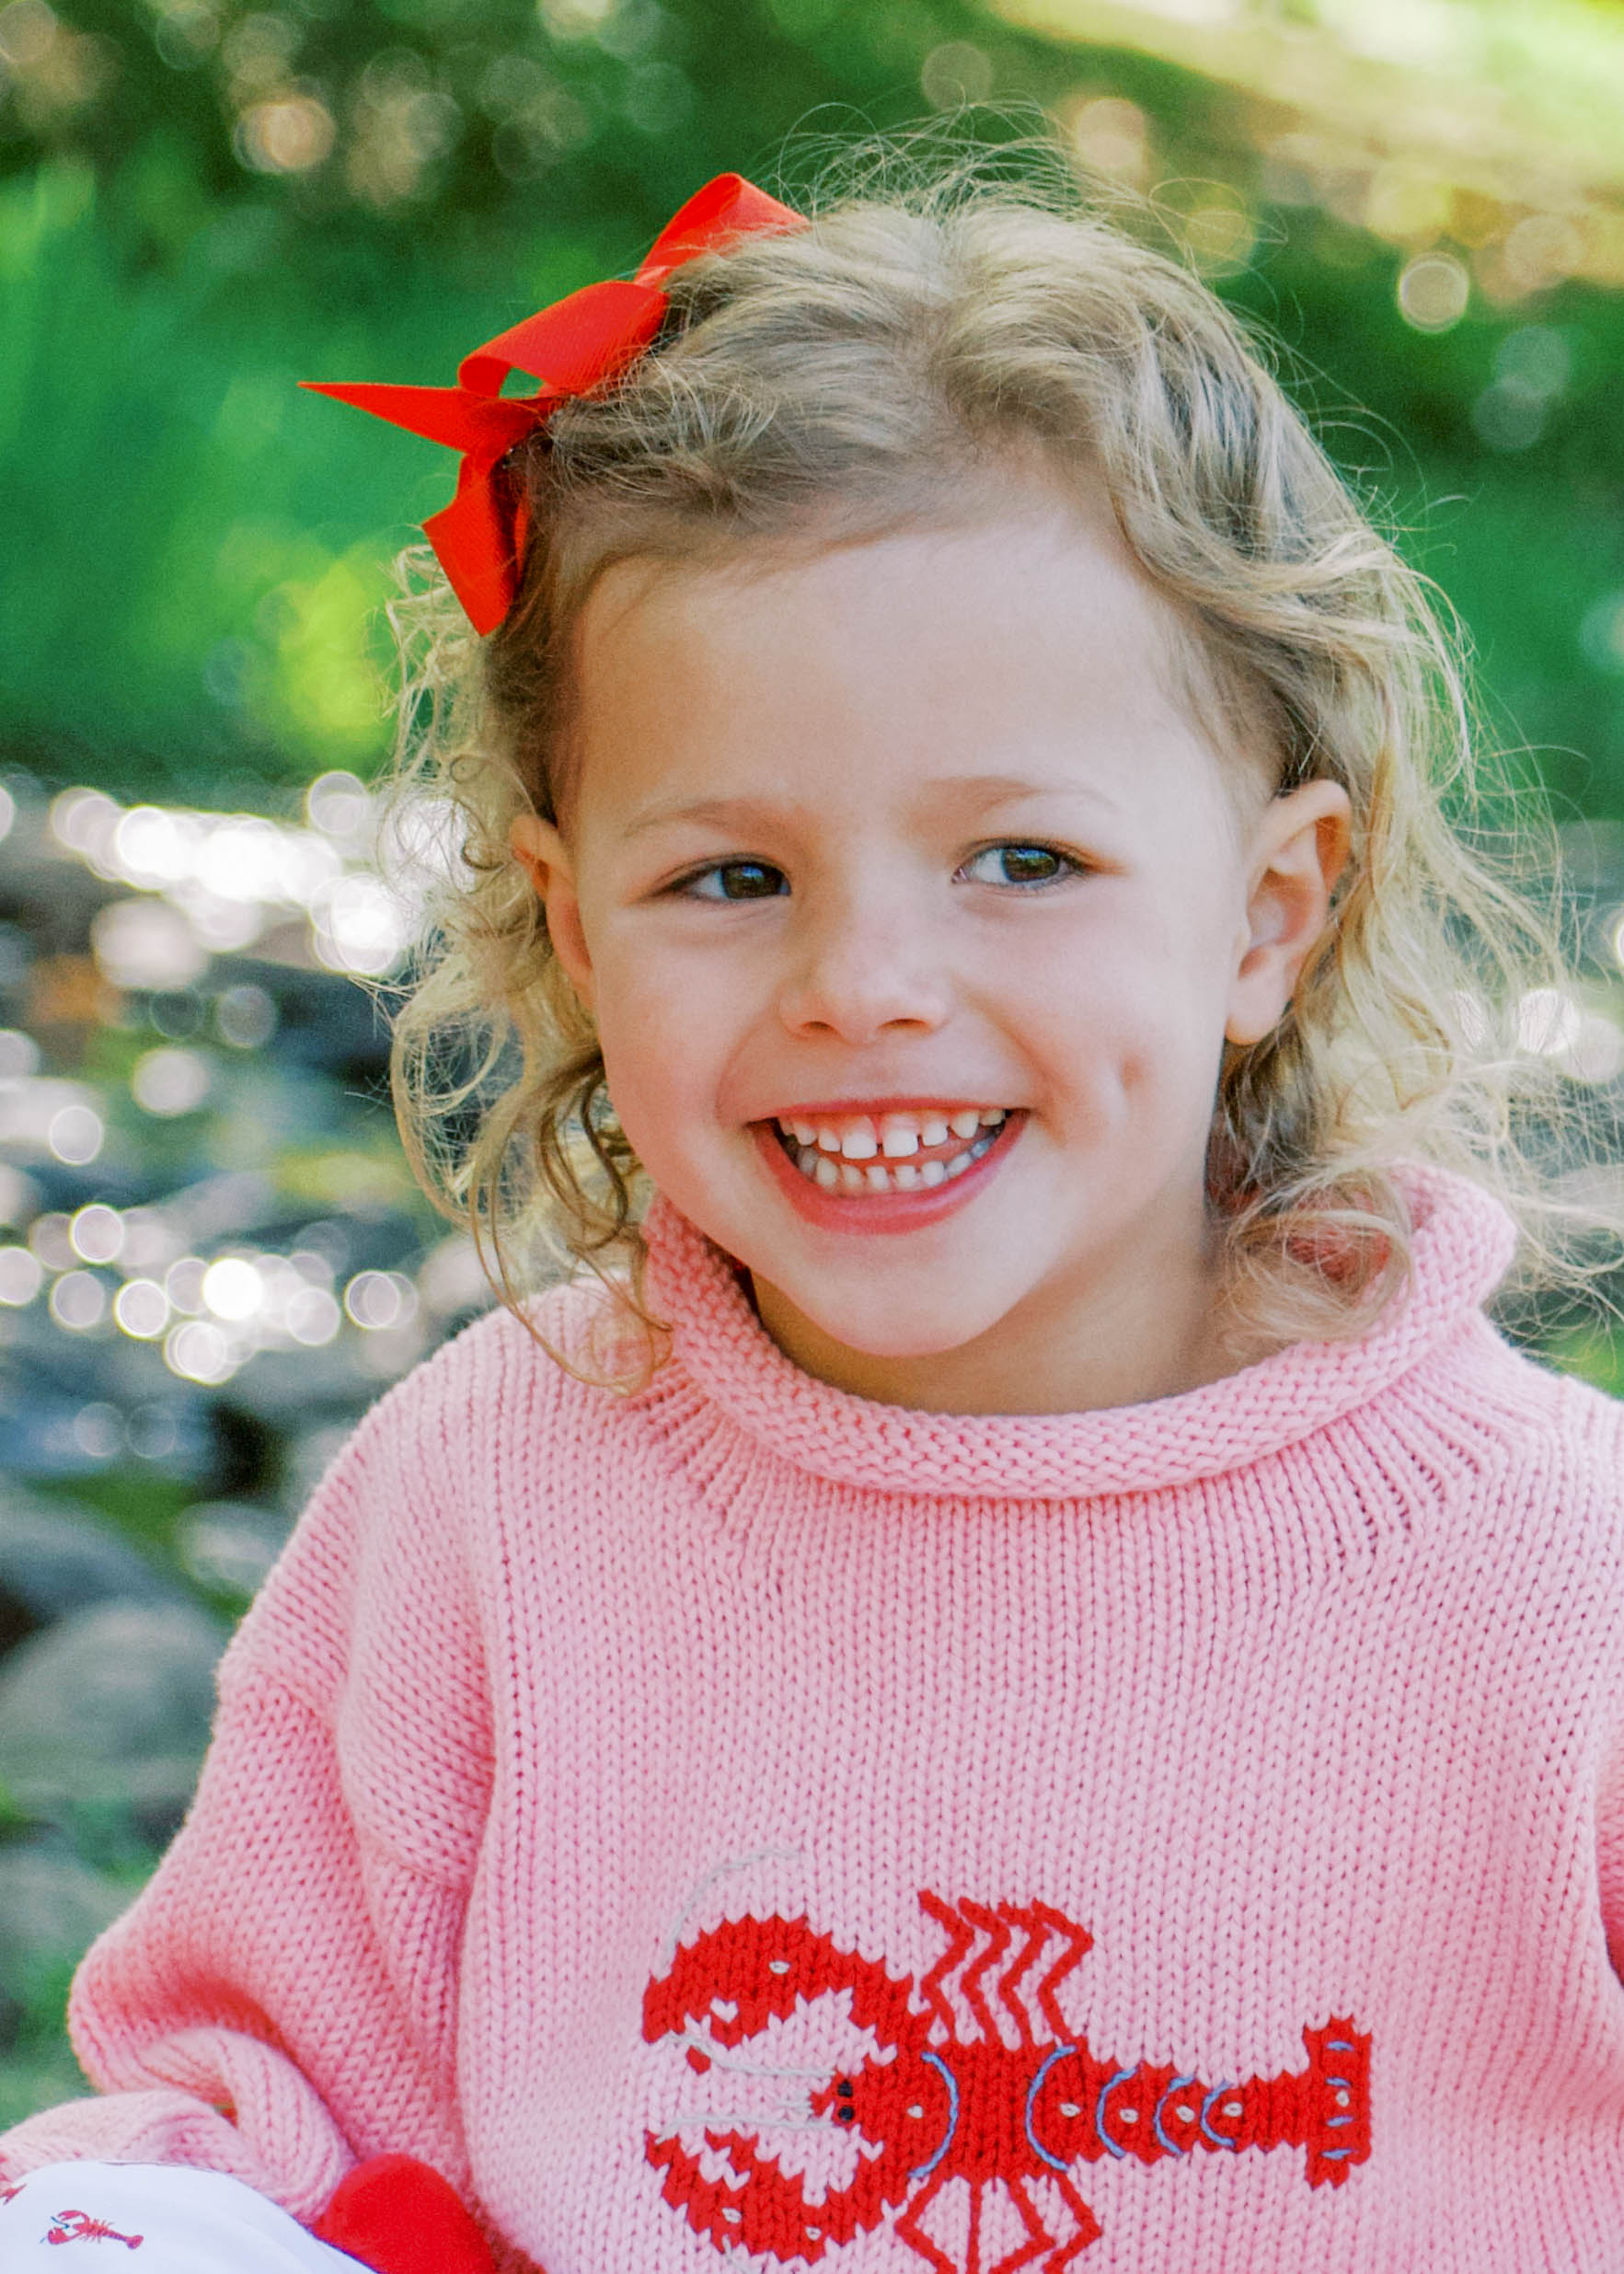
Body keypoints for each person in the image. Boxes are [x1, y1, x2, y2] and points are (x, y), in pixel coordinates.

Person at [3, 147, 1623, 2274]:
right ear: (571, 932)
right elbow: (254, 2131)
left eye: (1021, 862)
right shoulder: (489, 1507)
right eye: (731, 879)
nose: (863, 986)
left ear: (1267, 912)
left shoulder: (1559, 1586)